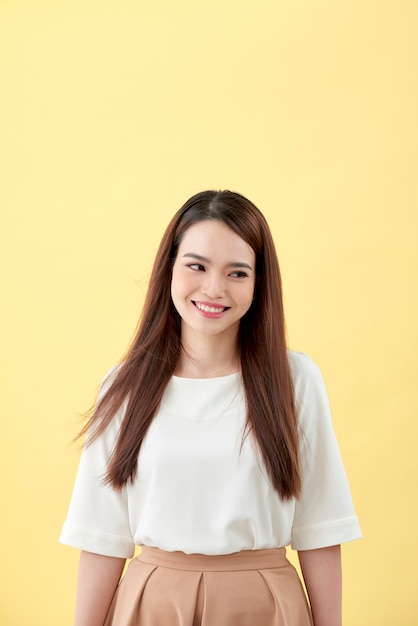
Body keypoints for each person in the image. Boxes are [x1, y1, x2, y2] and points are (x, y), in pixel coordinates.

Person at [60, 190, 362, 626]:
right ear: (169, 269)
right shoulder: (125, 387)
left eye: (237, 272)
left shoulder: (295, 380)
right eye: (196, 266)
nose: (214, 288)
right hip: (150, 607)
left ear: (259, 284)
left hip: (267, 608)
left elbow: (321, 528)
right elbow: (101, 535)